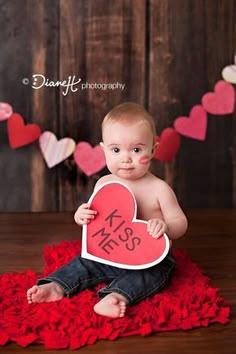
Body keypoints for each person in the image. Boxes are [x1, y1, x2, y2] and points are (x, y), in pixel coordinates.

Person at [27, 102, 188, 318]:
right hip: (110, 251)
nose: (126, 158)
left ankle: (116, 296)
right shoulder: (104, 184)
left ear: (153, 149)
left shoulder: (159, 189)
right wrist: (81, 215)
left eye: (137, 149)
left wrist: (165, 227)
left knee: (154, 274)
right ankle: (56, 285)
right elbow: (96, 218)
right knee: (83, 262)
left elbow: (180, 223)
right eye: (116, 150)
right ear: (104, 150)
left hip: (149, 257)